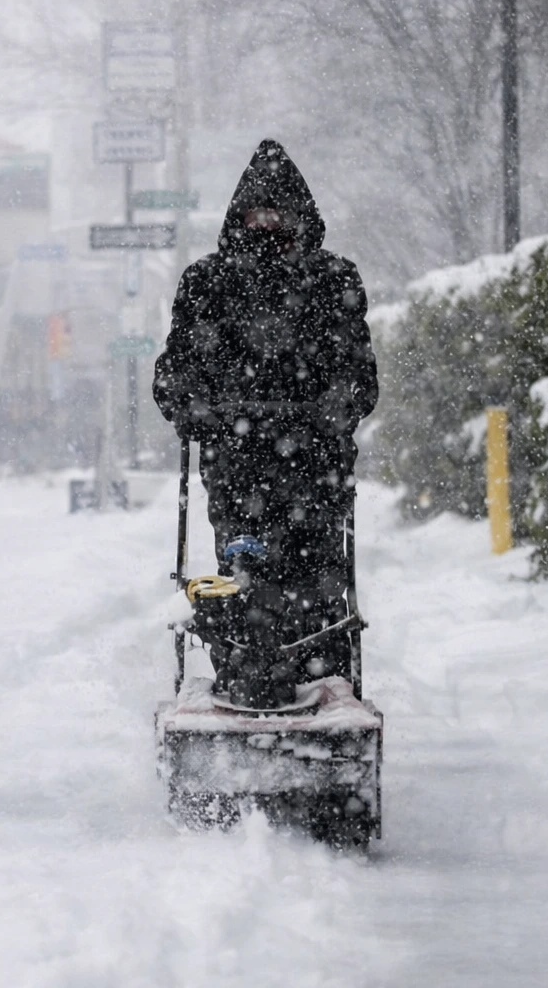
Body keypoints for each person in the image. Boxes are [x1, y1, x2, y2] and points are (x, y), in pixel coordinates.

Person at [154, 141, 377, 695]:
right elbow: (175, 371)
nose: (268, 223)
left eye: (278, 212)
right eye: (258, 212)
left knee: (317, 571)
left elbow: (359, 373)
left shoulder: (333, 281)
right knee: (245, 571)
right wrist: (192, 405)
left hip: (316, 464)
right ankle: (246, 667)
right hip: (238, 462)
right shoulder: (207, 283)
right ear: (239, 216)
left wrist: (337, 405)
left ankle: (321, 673)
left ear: (301, 215)